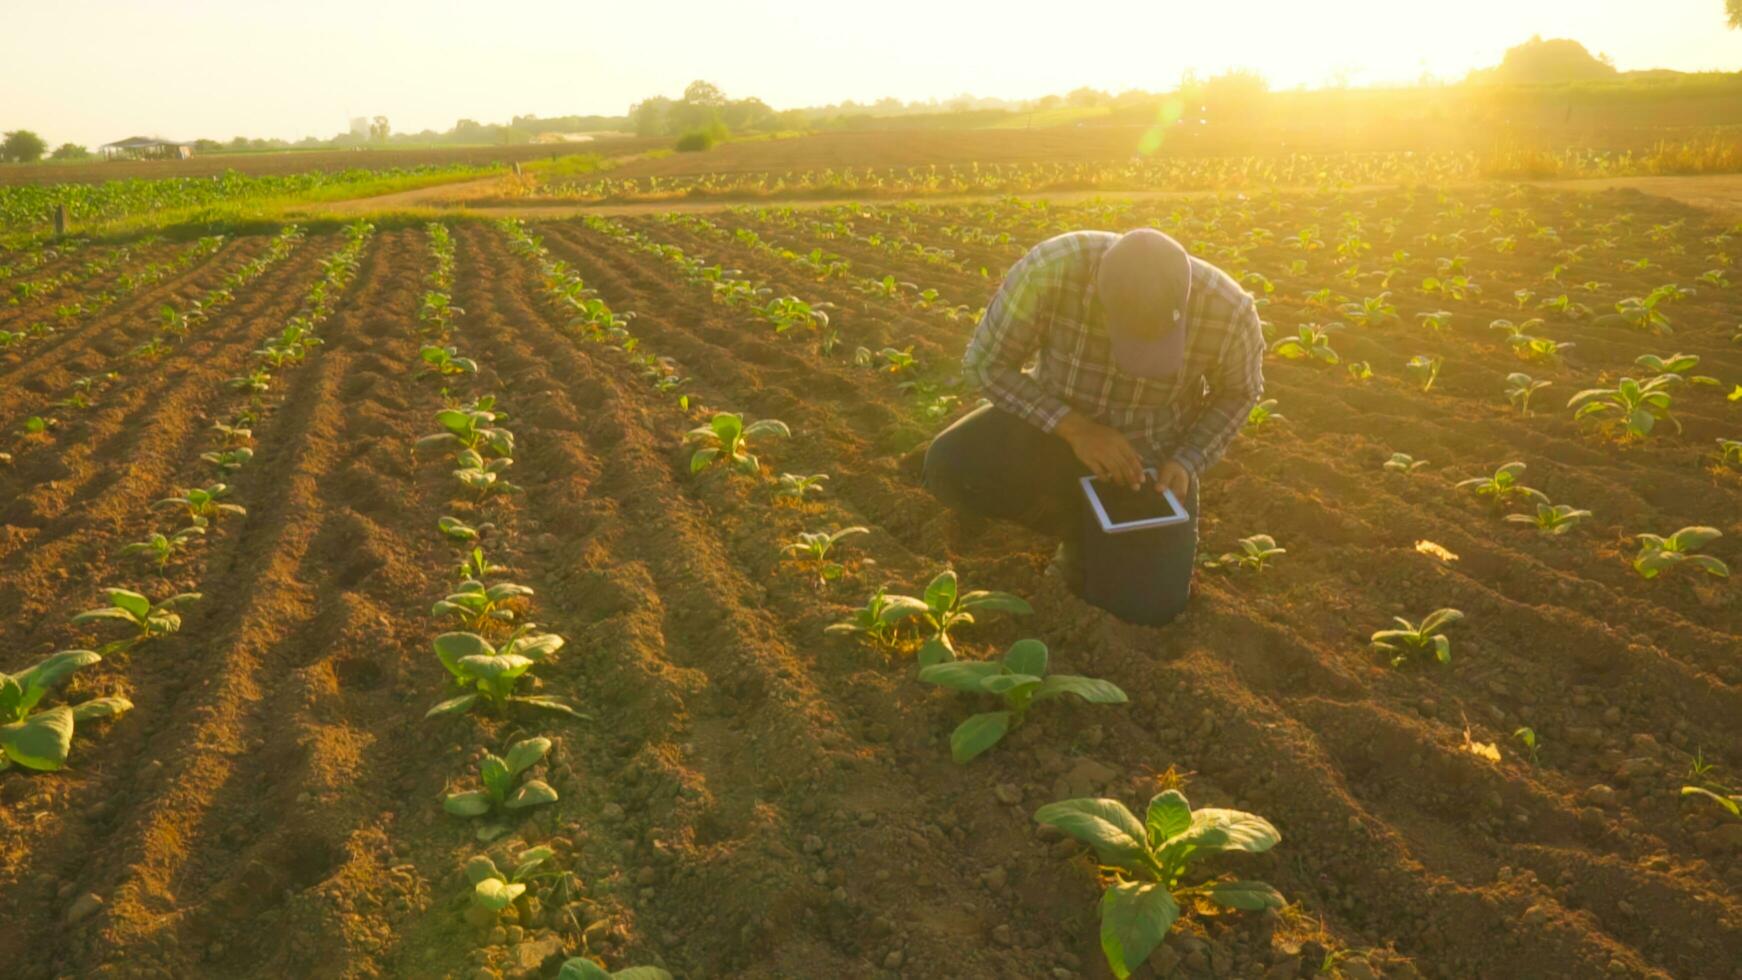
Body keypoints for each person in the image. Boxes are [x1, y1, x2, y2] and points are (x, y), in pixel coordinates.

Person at [922, 228, 1264, 626]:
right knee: (951, 467)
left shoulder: (1229, 309)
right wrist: (1074, 427)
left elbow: (1240, 392)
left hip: (1148, 464)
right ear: (1100, 299)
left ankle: (1097, 539)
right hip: (1052, 434)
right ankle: (1076, 528)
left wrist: (1187, 459)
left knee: (1148, 612)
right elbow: (985, 364)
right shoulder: (1051, 271)